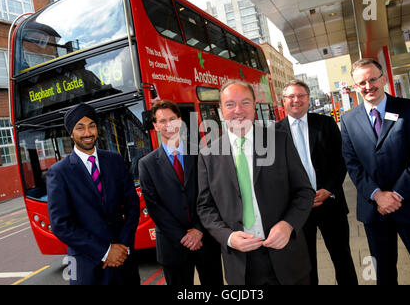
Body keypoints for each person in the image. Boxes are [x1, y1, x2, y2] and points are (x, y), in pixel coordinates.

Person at [197, 80, 315, 285]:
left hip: (287, 255)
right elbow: (205, 207)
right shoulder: (208, 153)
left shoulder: (279, 141)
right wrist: (228, 237)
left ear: (254, 105)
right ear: (220, 110)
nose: (238, 111)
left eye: (245, 103)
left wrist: (288, 225)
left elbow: (304, 191)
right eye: (230, 104)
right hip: (242, 266)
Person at [341, 58, 410, 285]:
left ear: (384, 79)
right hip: (374, 210)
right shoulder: (348, 120)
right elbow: (352, 163)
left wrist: (396, 195)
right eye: (361, 83)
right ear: (355, 87)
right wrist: (378, 195)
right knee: (384, 274)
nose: (368, 86)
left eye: (372, 79)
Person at [47, 103, 141, 285]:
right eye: (80, 128)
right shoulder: (59, 172)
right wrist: (105, 252)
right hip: (87, 268)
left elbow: (132, 206)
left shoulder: (115, 161)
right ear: (71, 133)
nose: (87, 133)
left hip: (124, 262)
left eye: (91, 125)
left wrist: (123, 247)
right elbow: (61, 225)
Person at [276, 80, 358, 285]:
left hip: (330, 204)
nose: (296, 100)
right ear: (283, 101)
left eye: (301, 95)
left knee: (342, 259)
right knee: (306, 265)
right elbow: (275, 175)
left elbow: (342, 160)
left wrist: (328, 189)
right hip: (298, 211)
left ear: (308, 99)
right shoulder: (274, 133)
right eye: (291, 97)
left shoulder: (326, 124)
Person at [138, 100, 223, 285]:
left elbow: (213, 194)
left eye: (172, 119)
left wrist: (199, 230)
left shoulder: (202, 152)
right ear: (155, 125)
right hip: (172, 246)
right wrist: (184, 237)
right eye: (162, 121)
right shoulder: (146, 164)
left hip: (206, 240)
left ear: (180, 121)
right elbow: (154, 207)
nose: (168, 125)